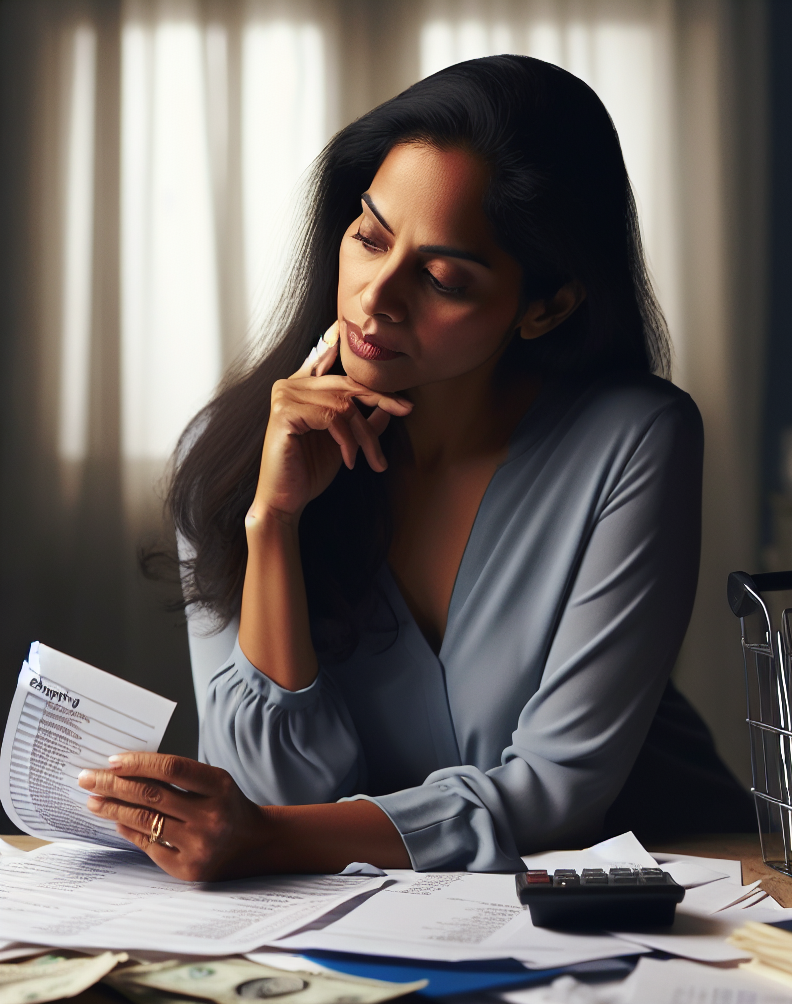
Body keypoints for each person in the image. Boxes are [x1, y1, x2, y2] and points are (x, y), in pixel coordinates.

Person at [78, 55, 754, 881]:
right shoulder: (229, 456)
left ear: (546, 306)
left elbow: (557, 792)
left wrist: (273, 839)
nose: (376, 298)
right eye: (369, 237)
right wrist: (274, 524)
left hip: (671, 885)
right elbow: (271, 789)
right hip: (383, 923)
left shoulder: (635, 440)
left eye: (440, 277)